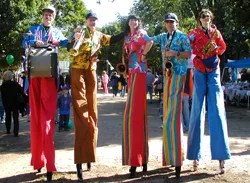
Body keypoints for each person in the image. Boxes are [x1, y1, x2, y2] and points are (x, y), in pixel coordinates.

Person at [68, 12, 125, 181]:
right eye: (90, 20)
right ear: (86, 21)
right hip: (77, 70)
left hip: (91, 71)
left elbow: (113, 39)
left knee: (92, 113)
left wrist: (127, 30)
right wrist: (75, 38)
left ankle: (89, 155)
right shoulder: (79, 30)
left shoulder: (99, 35)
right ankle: (80, 160)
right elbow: (69, 47)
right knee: (81, 113)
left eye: (94, 20)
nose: (92, 22)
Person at [22, 5, 68, 181]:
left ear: (54, 17)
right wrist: (34, 42)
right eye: (45, 14)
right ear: (42, 16)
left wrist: (57, 41)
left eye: (50, 14)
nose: (48, 16)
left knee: (47, 120)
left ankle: (49, 164)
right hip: (34, 76)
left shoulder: (57, 32)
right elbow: (24, 42)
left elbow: (65, 42)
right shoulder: (34, 30)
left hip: (49, 77)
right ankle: (38, 161)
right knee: (35, 119)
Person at [145, 13, 191, 178]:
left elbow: (188, 54)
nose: (170, 24)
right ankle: (172, 156)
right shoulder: (163, 36)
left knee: (172, 114)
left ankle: (176, 157)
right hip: (167, 75)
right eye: (167, 22)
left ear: (177, 23)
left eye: (172, 22)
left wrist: (174, 53)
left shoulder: (183, 37)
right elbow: (148, 38)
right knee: (168, 116)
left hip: (178, 74)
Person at [187, 9, 231, 174]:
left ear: (211, 19)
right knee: (197, 110)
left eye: (209, 17)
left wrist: (216, 49)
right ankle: (194, 157)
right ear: (200, 19)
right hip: (199, 70)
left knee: (217, 111)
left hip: (214, 70)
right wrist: (199, 52)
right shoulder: (192, 33)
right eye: (204, 17)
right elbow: (187, 47)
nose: (206, 19)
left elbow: (223, 47)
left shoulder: (216, 32)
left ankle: (222, 157)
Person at [121, 15, 153, 178]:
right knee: (133, 117)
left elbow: (150, 42)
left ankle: (137, 161)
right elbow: (125, 54)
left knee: (135, 115)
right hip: (131, 74)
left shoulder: (142, 33)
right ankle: (139, 159)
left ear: (139, 22)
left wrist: (144, 55)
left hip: (140, 73)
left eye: (136, 20)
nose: (133, 22)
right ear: (128, 23)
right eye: (131, 20)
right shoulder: (128, 37)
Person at [1, 70, 23, 137]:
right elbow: (21, 91)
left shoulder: (3, 86)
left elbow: (2, 95)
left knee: (8, 116)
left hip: (6, 103)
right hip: (15, 102)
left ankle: (8, 130)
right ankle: (16, 132)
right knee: (15, 117)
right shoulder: (15, 84)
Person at [182, 55, 194, 132]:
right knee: (186, 110)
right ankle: (188, 125)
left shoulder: (178, 68)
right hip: (186, 93)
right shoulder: (190, 70)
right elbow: (191, 83)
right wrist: (191, 94)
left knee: (180, 110)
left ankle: (182, 126)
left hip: (180, 92)